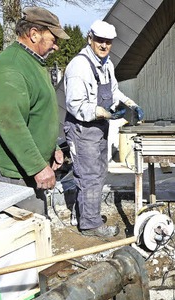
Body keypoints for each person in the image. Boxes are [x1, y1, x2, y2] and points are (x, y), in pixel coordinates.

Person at [0, 7, 70, 216]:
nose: (57, 46)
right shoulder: (11, 68)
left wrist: (51, 148)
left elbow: (35, 113)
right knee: (24, 235)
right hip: (9, 174)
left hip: (23, 171)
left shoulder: (31, 63)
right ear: (34, 34)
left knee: (35, 231)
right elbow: (11, 124)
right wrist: (39, 168)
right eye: (53, 39)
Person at [63, 20, 145, 238]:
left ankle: (87, 215)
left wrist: (131, 104)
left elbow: (114, 92)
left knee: (99, 173)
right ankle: (90, 225)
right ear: (90, 38)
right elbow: (75, 105)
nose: (104, 45)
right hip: (82, 129)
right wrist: (106, 113)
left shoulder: (106, 64)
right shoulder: (79, 66)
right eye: (99, 40)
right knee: (88, 176)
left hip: (100, 127)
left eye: (108, 42)